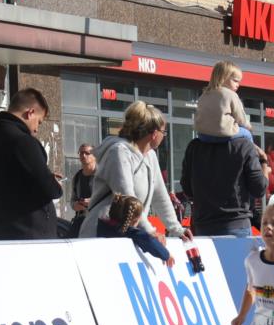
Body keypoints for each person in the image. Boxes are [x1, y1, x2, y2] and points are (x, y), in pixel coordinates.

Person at [80, 101, 191, 241]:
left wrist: (177, 229)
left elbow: (160, 196)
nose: (164, 136)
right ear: (154, 134)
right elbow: (128, 197)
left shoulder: (150, 156)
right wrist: (151, 232)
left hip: (126, 234)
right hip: (101, 235)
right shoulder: (119, 152)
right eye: (164, 132)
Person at [0, 88, 62, 240]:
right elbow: (50, 189)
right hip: (28, 235)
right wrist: (54, 183)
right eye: (39, 122)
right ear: (30, 112)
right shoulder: (24, 142)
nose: (36, 129)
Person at [181, 132, 270, 238]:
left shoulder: (194, 147)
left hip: (203, 225)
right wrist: (263, 161)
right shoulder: (244, 146)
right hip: (236, 224)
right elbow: (259, 189)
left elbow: (187, 190)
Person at [96, 194, 174, 267]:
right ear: (135, 220)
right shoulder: (130, 233)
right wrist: (166, 255)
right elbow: (148, 240)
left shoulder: (102, 226)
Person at [68, 143, 97, 237]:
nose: (83, 155)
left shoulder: (102, 175)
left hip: (99, 221)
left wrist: (92, 202)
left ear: (95, 156)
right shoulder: (77, 177)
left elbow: (112, 198)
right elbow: (72, 200)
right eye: (81, 153)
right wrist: (75, 205)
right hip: (81, 220)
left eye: (87, 153)